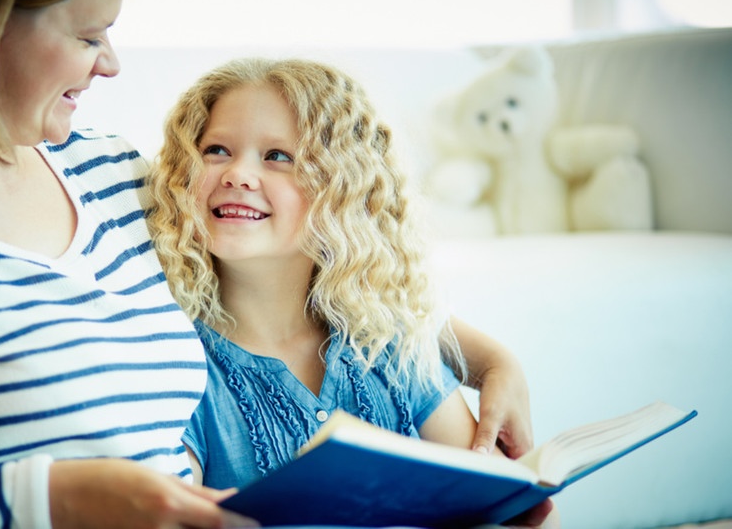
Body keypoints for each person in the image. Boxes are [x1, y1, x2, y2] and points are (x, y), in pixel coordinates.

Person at [0, 0, 535, 527]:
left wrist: (486, 356)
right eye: (89, 34)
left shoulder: (109, 174)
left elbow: (313, 268)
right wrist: (58, 501)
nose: (112, 63)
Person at [146, 57, 555, 527]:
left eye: (278, 156)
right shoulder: (179, 369)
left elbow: (514, 508)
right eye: (216, 149)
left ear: (342, 191)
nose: (238, 174)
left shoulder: (389, 346)